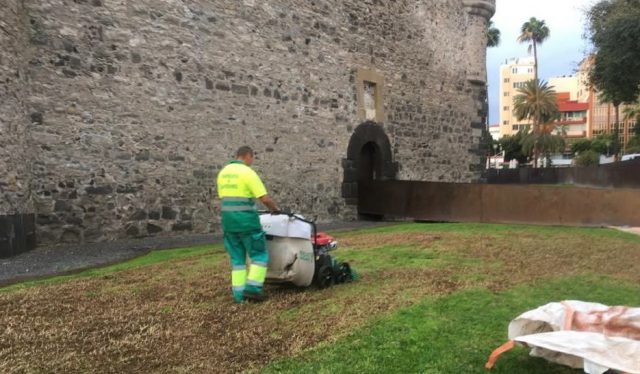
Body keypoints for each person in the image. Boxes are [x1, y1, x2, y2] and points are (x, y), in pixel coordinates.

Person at [216, 146, 279, 303]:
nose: (252, 161)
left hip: (228, 224)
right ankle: (253, 289)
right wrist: (275, 209)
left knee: (237, 261)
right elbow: (264, 198)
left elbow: (225, 199)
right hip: (247, 223)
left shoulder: (223, 173)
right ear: (248, 156)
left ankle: (239, 296)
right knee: (259, 255)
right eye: (253, 158)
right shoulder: (247, 173)